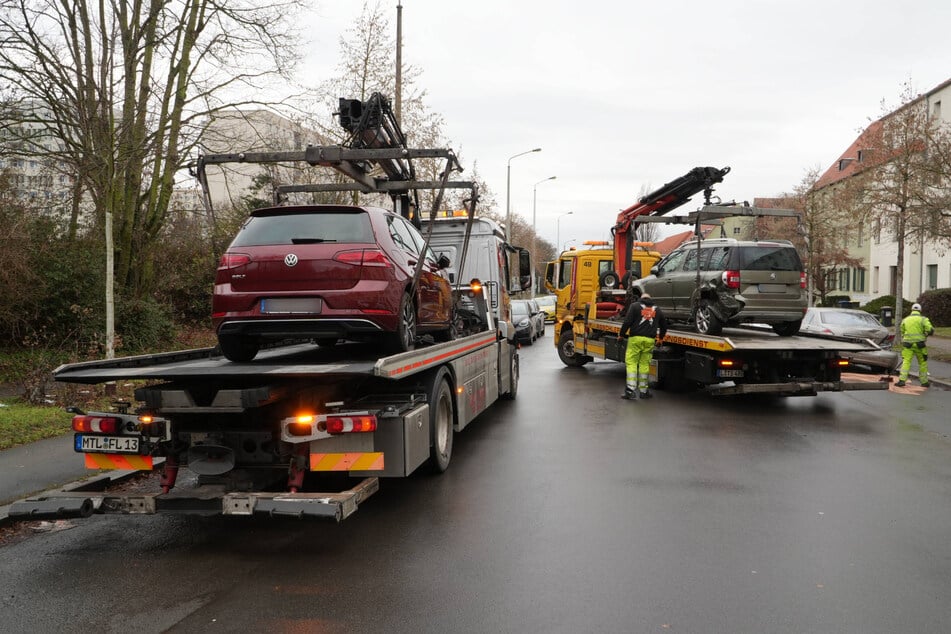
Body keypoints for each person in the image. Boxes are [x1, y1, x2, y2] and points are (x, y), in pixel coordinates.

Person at [618, 292, 667, 400]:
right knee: (644, 365)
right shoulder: (657, 309)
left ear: (641, 298)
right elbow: (664, 325)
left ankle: (630, 391)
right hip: (649, 340)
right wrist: (661, 338)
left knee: (632, 363)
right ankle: (644, 392)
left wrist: (621, 335)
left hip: (635, 339)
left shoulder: (635, 306)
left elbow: (627, 322)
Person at [896, 302, 935, 388]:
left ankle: (902, 380)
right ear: (920, 310)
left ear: (912, 310)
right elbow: (930, 329)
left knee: (906, 361)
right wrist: (927, 333)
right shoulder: (923, 319)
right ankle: (924, 382)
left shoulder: (905, 319)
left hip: (907, 345)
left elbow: (902, 331)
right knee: (922, 363)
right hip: (920, 345)